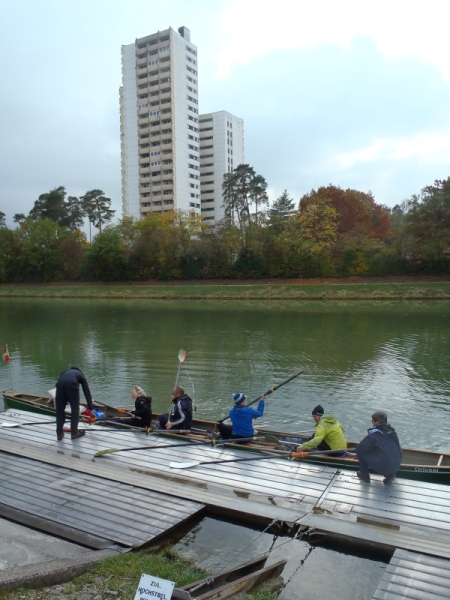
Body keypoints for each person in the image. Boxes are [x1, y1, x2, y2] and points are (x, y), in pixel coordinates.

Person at [355, 411, 402, 485]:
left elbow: (362, 447)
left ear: (376, 422)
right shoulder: (392, 432)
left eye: (372, 421)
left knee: (358, 448)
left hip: (384, 467)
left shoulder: (374, 434)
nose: (372, 423)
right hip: (397, 466)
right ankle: (390, 475)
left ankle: (364, 475)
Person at [55, 367, 93, 441]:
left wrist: (65, 398)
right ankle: (74, 433)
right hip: (72, 385)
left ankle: (59, 433)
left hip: (59, 386)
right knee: (75, 409)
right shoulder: (81, 374)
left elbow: (58, 384)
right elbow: (86, 392)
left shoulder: (65, 371)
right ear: (80, 371)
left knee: (59, 411)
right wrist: (91, 408)